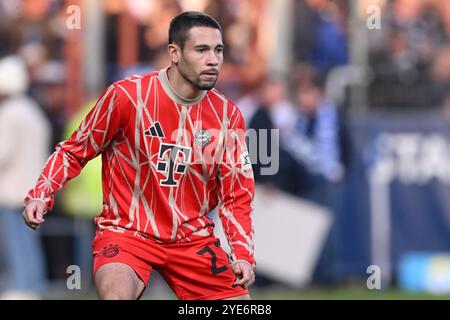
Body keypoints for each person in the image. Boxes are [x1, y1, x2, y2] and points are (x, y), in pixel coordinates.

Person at [23, 11, 255, 300]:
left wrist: (242, 253)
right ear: (174, 52)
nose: (213, 60)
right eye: (201, 50)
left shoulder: (228, 116)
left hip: (191, 240)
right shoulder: (127, 97)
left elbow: (237, 194)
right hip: (128, 233)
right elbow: (74, 151)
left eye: (218, 50)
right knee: (116, 297)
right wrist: (41, 193)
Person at [0, 55, 49, 299]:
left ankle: (19, 289)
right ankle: (31, 287)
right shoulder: (33, 110)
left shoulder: (9, 113)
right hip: (34, 192)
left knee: (15, 246)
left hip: (11, 193)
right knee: (29, 245)